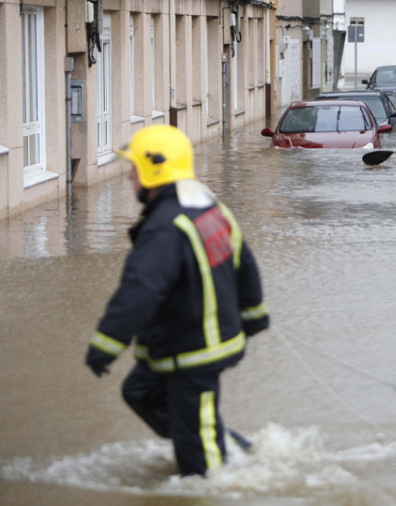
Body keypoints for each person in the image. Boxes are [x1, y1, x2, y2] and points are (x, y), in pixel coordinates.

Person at [84, 124, 270, 477]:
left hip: (194, 351)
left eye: (134, 169)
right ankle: (219, 443)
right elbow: (243, 261)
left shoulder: (166, 226)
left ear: (154, 169)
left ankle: (215, 484)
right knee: (140, 391)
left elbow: (140, 290)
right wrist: (253, 315)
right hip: (189, 341)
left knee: (196, 457)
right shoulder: (206, 206)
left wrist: (105, 345)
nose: (129, 178)